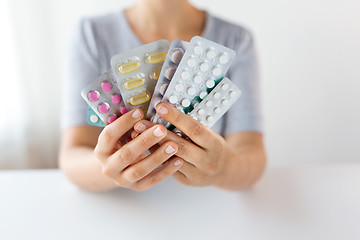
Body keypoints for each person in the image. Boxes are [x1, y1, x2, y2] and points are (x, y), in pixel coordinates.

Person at [59, 0, 266, 192]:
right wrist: (110, 167)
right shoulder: (91, 34)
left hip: (206, 207)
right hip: (123, 210)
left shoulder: (236, 40)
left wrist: (224, 167)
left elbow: (252, 157)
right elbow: (73, 157)